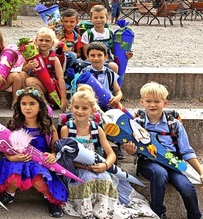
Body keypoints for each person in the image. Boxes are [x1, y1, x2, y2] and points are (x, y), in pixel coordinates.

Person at [124, 82, 203, 219]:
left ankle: (195, 216)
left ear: (165, 103)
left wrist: (201, 171)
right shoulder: (137, 124)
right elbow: (134, 151)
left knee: (186, 187)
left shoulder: (174, 124)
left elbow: (186, 151)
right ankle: (158, 213)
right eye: (148, 101)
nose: (152, 105)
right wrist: (130, 151)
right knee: (159, 173)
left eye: (157, 101)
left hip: (173, 161)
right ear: (141, 102)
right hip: (148, 162)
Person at [0, 87, 66, 218]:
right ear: (19, 106)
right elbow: (5, 146)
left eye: (32, 104)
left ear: (40, 107)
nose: (27, 107)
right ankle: (9, 194)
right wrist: (11, 158)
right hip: (18, 159)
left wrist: (52, 155)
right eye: (24, 103)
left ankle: (50, 199)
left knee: (40, 179)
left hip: (39, 161)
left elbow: (55, 147)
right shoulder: (14, 126)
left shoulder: (48, 127)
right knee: (14, 175)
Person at [59, 85, 119, 218]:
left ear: (92, 110)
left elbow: (111, 154)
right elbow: (65, 157)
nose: (80, 111)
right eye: (76, 107)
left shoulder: (96, 129)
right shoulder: (67, 129)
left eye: (85, 108)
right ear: (71, 108)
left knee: (105, 179)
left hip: (97, 165)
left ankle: (103, 211)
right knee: (87, 179)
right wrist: (84, 166)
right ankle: (87, 211)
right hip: (75, 167)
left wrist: (105, 165)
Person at [21, 27, 68, 111]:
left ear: (52, 43)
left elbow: (61, 78)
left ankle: (44, 104)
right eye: (41, 40)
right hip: (36, 83)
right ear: (35, 41)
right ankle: (33, 100)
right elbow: (23, 70)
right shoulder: (31, 55)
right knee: (23, 76)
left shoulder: (54, 58)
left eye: (47, 41)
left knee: (30, 81)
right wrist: (29, 66)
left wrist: (64, 98)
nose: (44, 43)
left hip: (50, 85)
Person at [80, 5, 133, 74]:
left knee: (114, 66)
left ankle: (112, 84)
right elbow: (85, 54)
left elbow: (114, 51)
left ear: (107, 18)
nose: (99, 20)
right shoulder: (88, 34)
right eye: (95, 17)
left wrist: (126, 54)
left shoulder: (110, 33)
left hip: (107, 59)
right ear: (91, 19)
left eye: (102, 17)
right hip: (92, 59)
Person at [81, 42, 123, 111]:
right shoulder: (84, 73)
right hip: (90, 107)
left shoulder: (110, 73)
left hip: (108, 105)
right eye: (92, 55)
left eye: (99, 55)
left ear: (106, 57)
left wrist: (117, 98)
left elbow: (118, 91)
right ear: (87, 56)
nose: (96, 58)